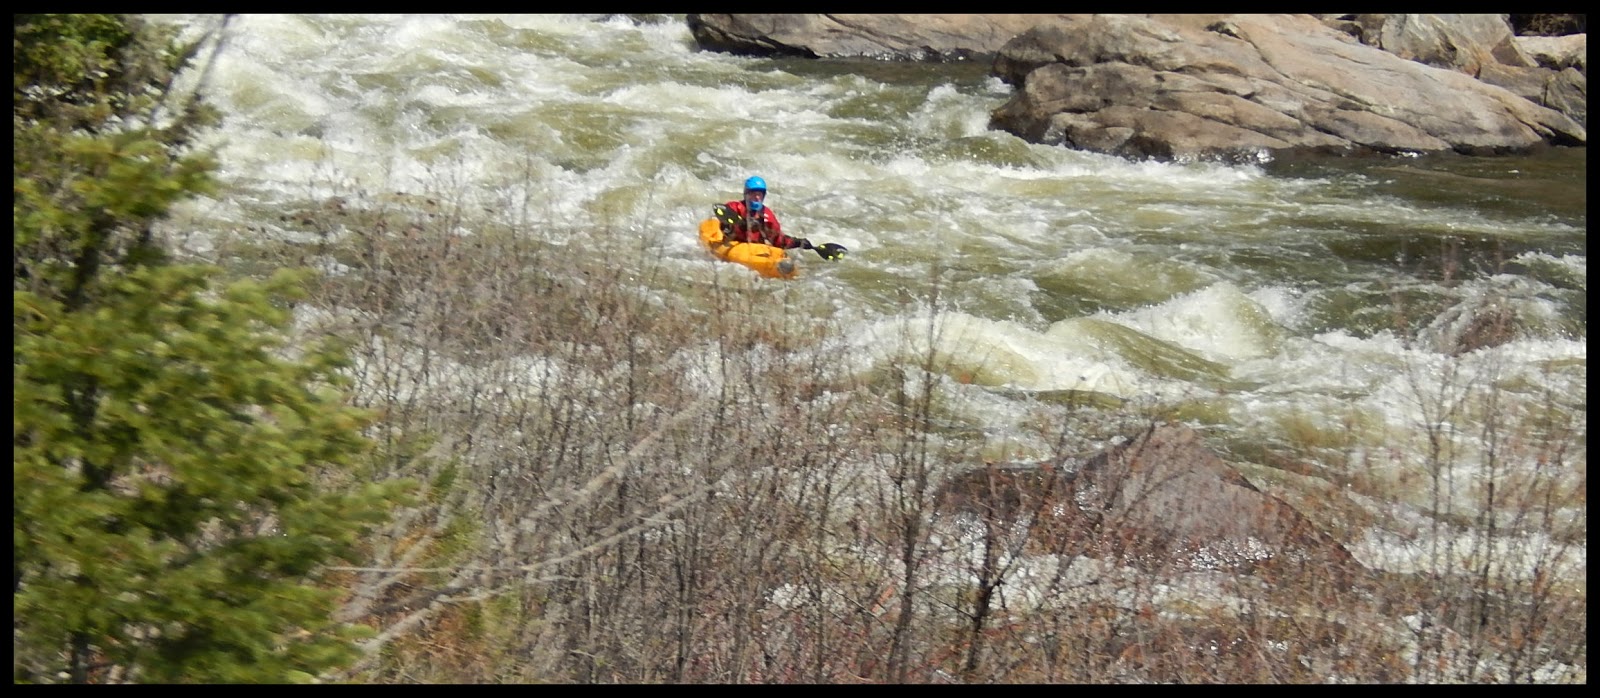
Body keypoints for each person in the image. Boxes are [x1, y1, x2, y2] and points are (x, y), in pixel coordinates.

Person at [711, 175, 815, 251]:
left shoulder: (767, 216)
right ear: (746, 194)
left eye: (760, 194)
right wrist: (739, 224)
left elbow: (778, 240)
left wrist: (797, 242)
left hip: (754, 250)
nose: (757, 197)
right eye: (753, 194)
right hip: (733, 245)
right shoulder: (734, 207)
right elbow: (723, 221)